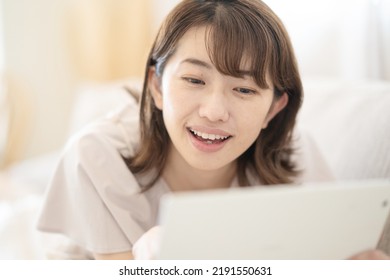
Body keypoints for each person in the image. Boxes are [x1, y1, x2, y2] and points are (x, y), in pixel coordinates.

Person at [37, 0, 388, 260]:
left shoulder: (294, 153)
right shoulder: (96, 155)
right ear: (157, 86)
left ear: (274, 108)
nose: (214, 111)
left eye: (245, 90)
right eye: (193, 80)